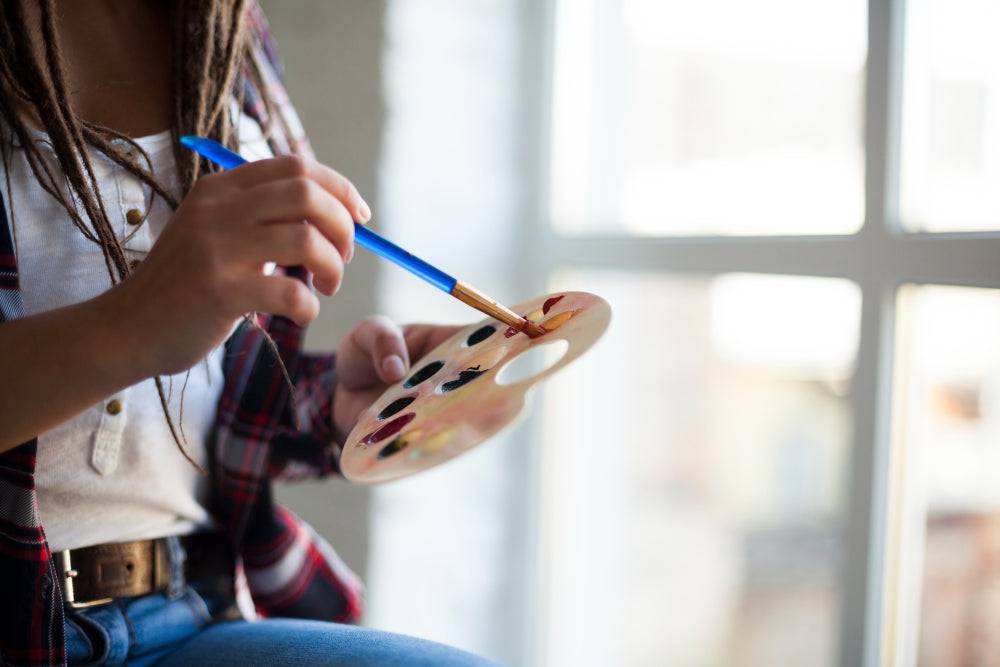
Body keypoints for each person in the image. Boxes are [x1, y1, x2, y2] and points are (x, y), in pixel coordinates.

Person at [0, 2, 500, 665]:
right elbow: (149, 327)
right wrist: (128, 325)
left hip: (185, 608)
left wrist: (327, 402)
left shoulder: (226, 27)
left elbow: (180, 402)